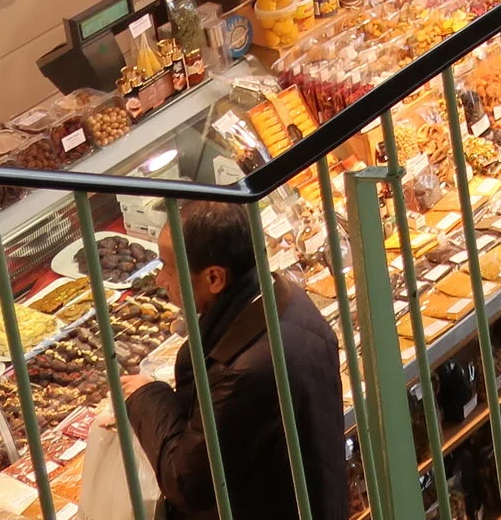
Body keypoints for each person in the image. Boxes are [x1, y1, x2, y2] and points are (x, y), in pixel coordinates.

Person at [123, 204, 345, 520]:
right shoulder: (289, 298)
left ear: (214, 278)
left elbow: (186, 481)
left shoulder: (241, 373)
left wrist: (146, 396)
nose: (159, 280)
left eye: (168, 268)